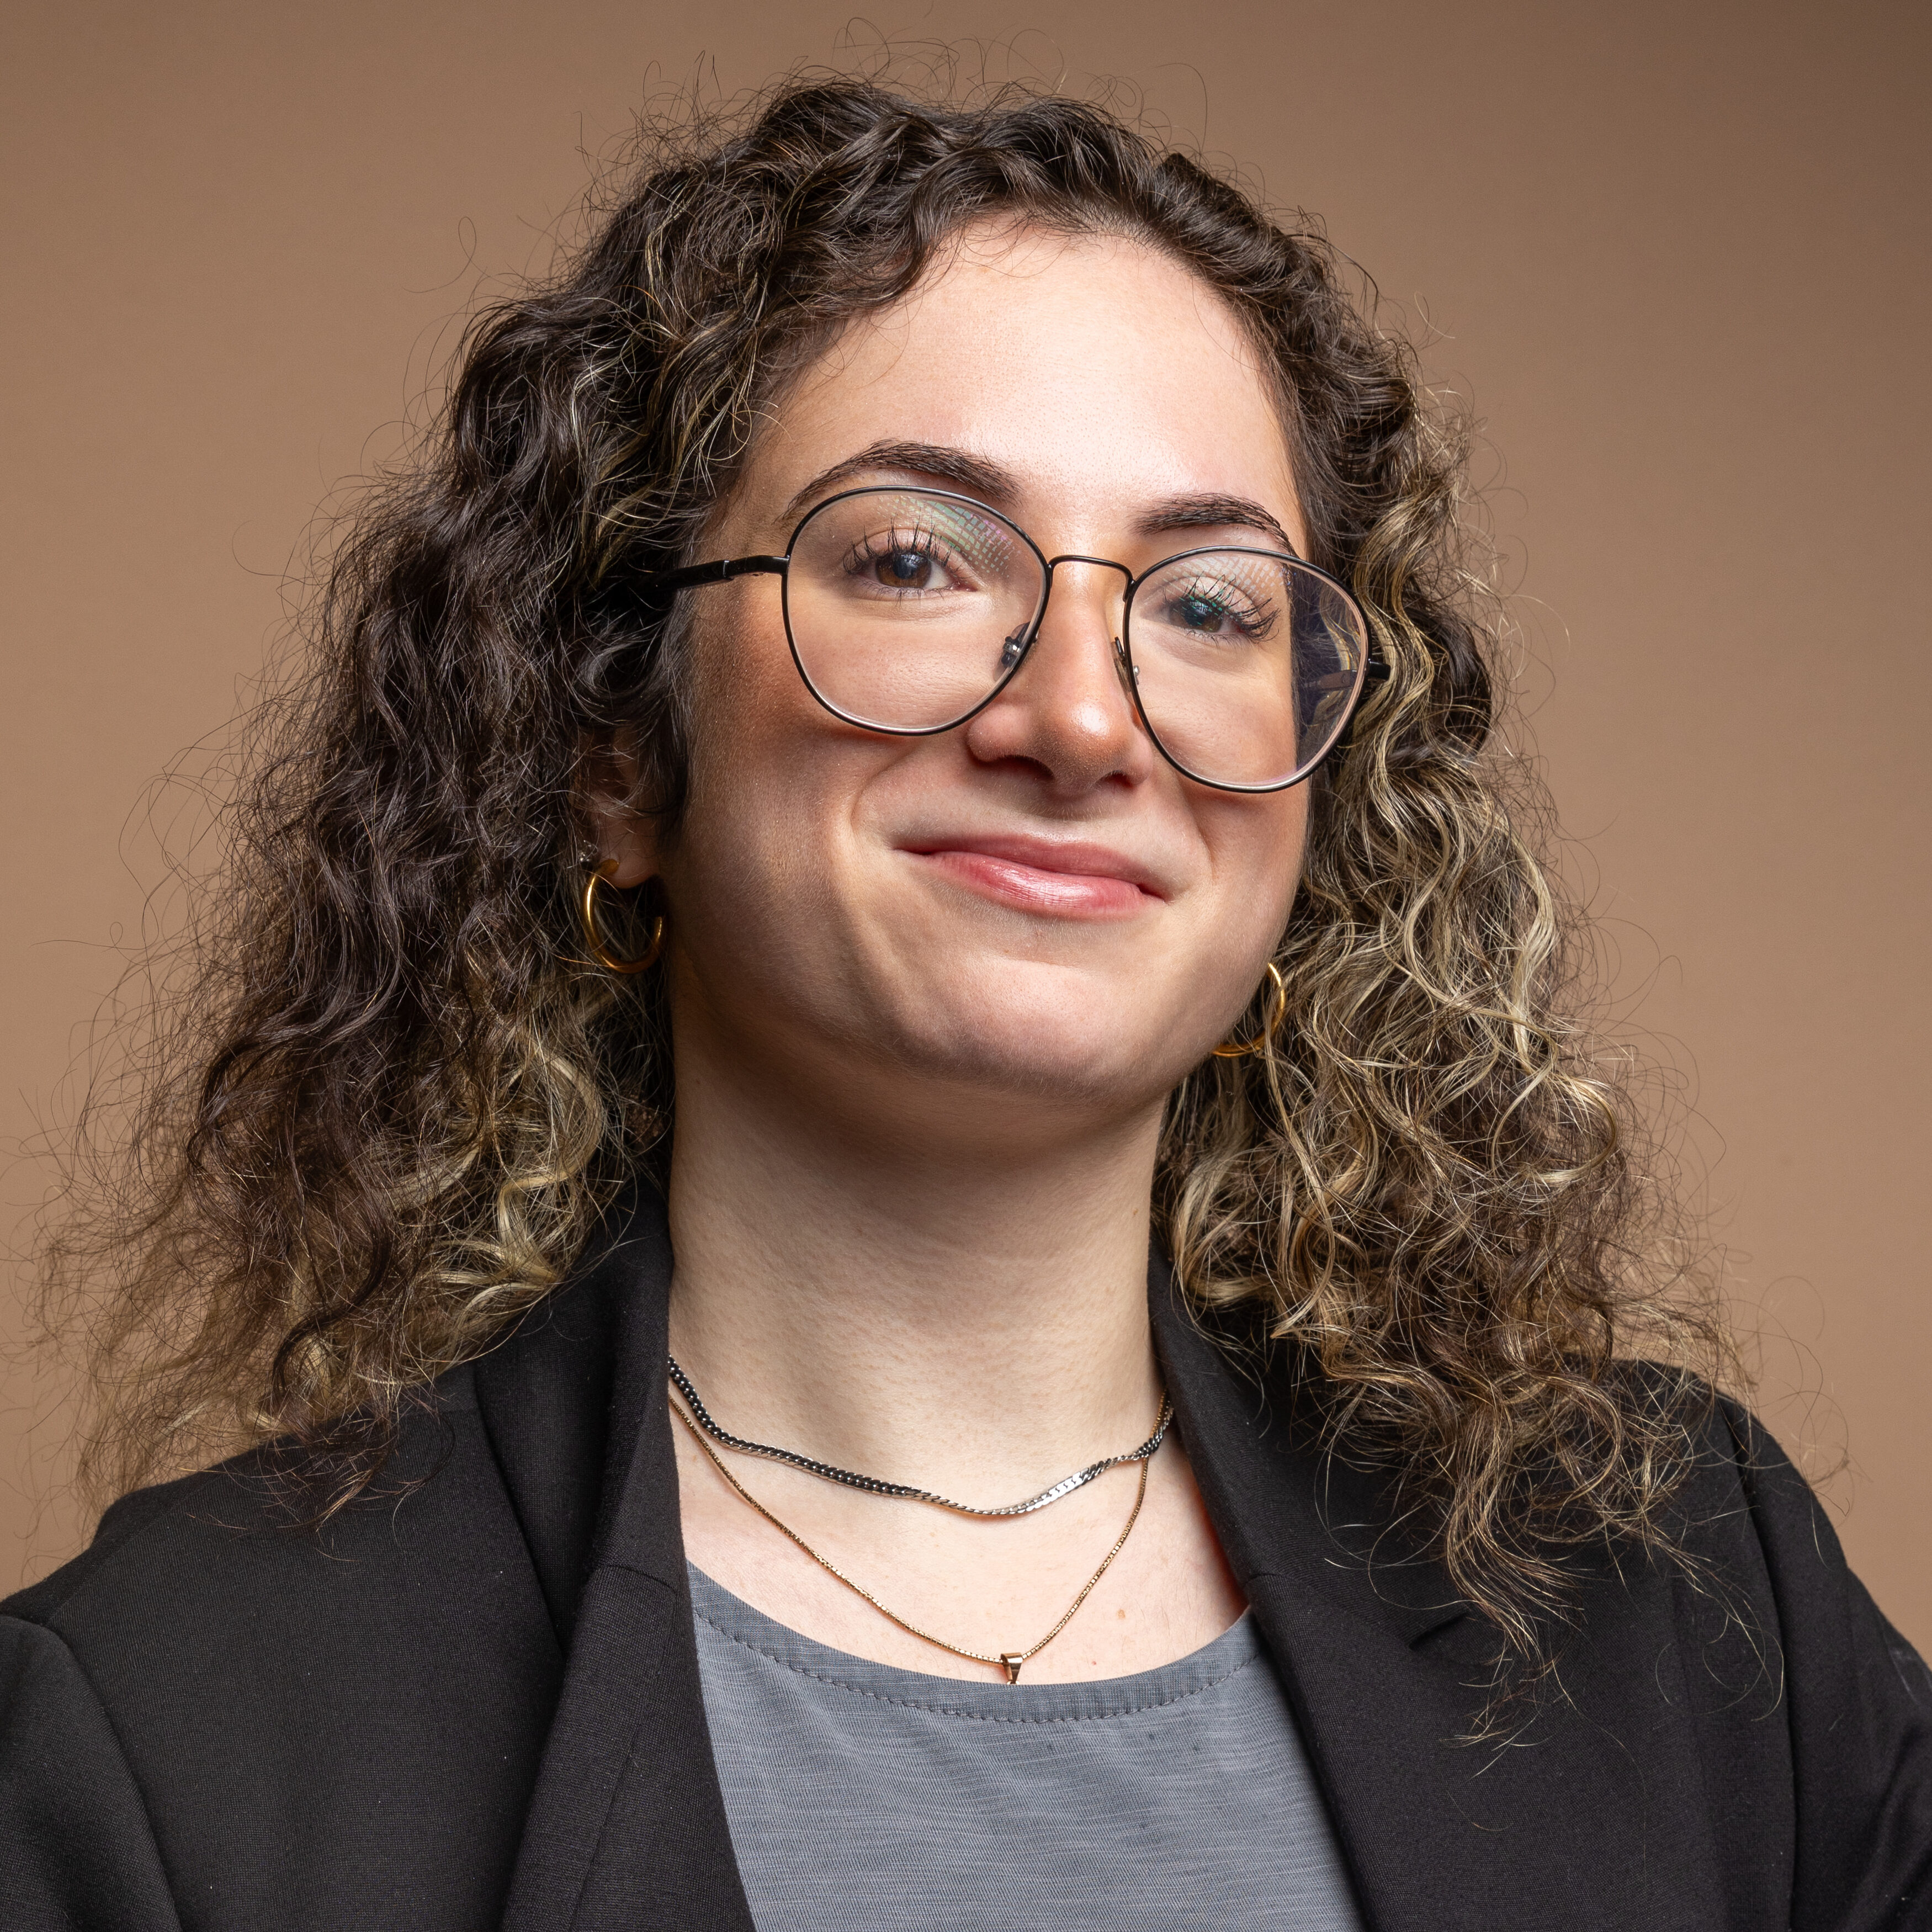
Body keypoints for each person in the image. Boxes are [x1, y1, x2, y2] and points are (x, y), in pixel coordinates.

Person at [2, 77, 1926, 1932]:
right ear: (612, 747)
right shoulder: (169, 1728)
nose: (1082, 723)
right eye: (915, 557)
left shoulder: (1689, 1602)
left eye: (1206, 603)